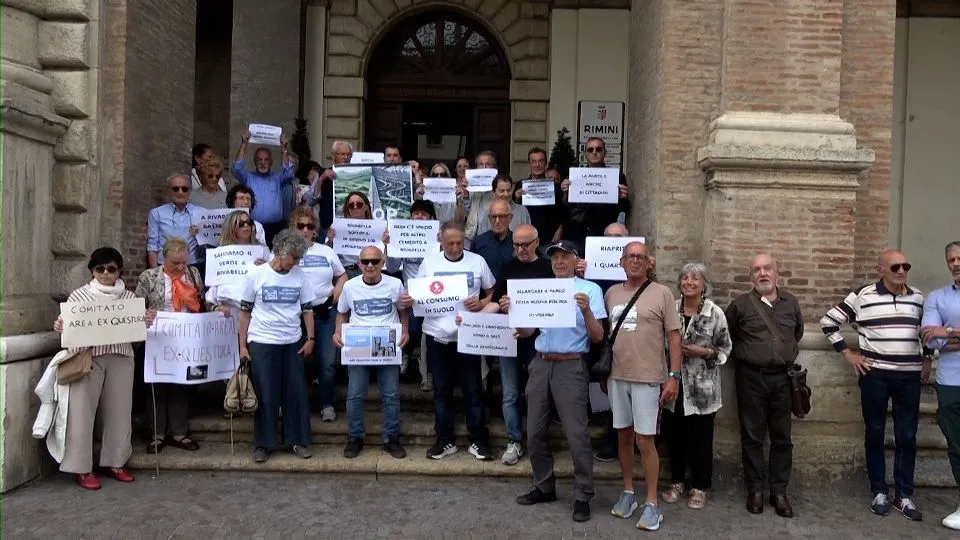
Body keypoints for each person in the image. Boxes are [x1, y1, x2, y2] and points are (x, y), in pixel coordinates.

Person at [822, 249, 930, 520]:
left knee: (907, 436)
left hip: (909, 377)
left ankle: (904, 495)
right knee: (875, 432)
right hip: (876, 376)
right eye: (895, 267)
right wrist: (849, 354)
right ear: (880, 269)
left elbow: (927, 331)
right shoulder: (863, 295)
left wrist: (927, 359)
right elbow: (828, 322)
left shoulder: (918, 297)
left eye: (905, 265)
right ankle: (879, 491)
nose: (902, 271)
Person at [513, 240, 606, 523]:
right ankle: (544, 486)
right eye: (555, 257)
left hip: (571, 365)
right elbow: (529, 330)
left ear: (576, 259)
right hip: (541, 363)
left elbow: (598, 336)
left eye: (565, 256)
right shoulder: (543, 288)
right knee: (534, 431)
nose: (560, 262)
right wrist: (515, 317)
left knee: (577, 435)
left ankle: (583, 495)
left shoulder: (590, 290)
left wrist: (587, 310)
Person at [50, 248, 157, 490]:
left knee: (119, 412)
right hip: (88, 357)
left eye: (111, 268)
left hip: (121, 356)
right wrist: (61, 326)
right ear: (92, 271)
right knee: (81, 413)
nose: (106, 273)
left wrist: (144, 323)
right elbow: (70, 328)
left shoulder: (129, 299)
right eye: (100, 269)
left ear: (119, 270)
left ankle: (116, 461)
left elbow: (136, 336)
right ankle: (81, 467)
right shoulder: (79, 296)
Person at [604, 241, 682, 530]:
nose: (635, 261)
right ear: (622, 262)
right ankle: (628, 492)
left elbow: (674, 337)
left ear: (649, 263)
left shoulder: (662, 293)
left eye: (640, 257)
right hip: (617, 375)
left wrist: (674, 375)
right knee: (623, 437)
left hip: (649, 377)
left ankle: (652, 503)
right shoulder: (611, 293)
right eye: (630, 257)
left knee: (644, 441)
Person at [403, 221, 496, 461]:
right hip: (437, 337)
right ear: (440, 241)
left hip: (469, 338)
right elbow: (417, 294)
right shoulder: (429, 262)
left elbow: (493, 290)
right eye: (450, 243)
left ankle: (478, 440)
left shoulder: (477, 261)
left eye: (459, 242)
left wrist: (482, 304)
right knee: (441, 392)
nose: (456, 247)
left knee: (473, 391)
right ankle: (445, 441)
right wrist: (408, 299)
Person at [725, 254, 804, 518]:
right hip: (750, 378)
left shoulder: (790, 303)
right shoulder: (739, 305)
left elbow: (797, 334)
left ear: (776, 272)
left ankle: (779, 492)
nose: (762, 273)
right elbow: (730, 335)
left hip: (783, 379)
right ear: (751, 276)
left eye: (767, 268)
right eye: (756, 270)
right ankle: (755, 490)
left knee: (782, 437)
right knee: (752, 437)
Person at [136, 237, 222, 454]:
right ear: (164, 258)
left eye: (184, 262)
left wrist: (217, 309)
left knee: (181, 385)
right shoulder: (149, 277)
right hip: (157, 338)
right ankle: (156, 434)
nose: (181, 267)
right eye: (176, 263)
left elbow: (203, 301)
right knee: (156, 385)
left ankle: (179, 432)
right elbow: (136, 305)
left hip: (185, 338)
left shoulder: (193, 274)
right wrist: (144, 315)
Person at [238, 229, 316, 463]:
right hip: (262, 340)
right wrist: (242, 346)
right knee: (265, 393)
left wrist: (310, 338)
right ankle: (264, 443)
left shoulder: (300, 276)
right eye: (293, 258)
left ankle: (298, 440)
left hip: (292, 341)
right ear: (280, 251)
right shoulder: (256, 274)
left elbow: (308, 310)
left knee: (295, 393)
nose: (295, 263)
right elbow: (244, 312)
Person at [660, 263, 732, 510]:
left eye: (695, 279)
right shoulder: (670, 308)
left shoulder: (715, 313)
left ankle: (700, 487)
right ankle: (677, 482)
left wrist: (705, 352)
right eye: (685, 278)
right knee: (675, 438)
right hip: (675, 385)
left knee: (701, 440)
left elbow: (725, 349)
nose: (689, 282)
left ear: (704, 285)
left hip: (703, 390)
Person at [480, 223, 553, 465]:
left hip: (538, 342)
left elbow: (555, 306)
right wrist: (476, 320)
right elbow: (494, 302)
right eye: (516, 245)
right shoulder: (507, 267)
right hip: (510, 340)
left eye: (525, 244)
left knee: (537, 394)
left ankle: (538, 441)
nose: (520, 249)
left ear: (537, 242)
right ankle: (514, 440)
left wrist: (534, 325)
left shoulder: (548, 267)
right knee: (509, 394)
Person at [334, 245, 409, 459]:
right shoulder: (349, 286)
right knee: (355, 394)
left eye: (375, 261)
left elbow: (403, 311)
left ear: (383, 263)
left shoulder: (395, 284)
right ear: (358, 264)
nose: (370, 265)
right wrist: (337, 332)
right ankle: (355, 437)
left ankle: (391, 439)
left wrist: (405, 331)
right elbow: (342, 313)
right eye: (365, 261)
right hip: (359, 344)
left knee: (391, 394)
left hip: (387, 343)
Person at [288, 207, 347, 422]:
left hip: (324, 313)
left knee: (328, 361)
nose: (305, 230)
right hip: (294, 316)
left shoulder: (326, 251)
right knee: (293, 363)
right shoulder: (281, 252)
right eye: (300, 226)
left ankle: (327, 404)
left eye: (309, 226)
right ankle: (294, 405)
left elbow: (342, 275)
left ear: (315, 230)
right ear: (292, 228)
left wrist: (334, 296)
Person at [920, 241, 960, 529]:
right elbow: (930, 339)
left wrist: (947, 331)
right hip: (951, 381)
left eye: (959, 258)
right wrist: (946, 336)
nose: (956, 263)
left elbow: (939, 335)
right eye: (951, 260)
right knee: (957, 445)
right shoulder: (937, 297)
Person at [385, 199, 439, 391]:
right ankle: (405, 354)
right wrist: (390, 246)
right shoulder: (402, 236)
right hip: (409, 293)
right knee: (414, 330)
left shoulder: (438, 239)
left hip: (433, 292)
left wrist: (440, 243)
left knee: (429, 334)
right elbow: (391, 268)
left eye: (424, 214)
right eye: (416, 213)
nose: (419, 217)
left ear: (432, 218)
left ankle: (427, 373)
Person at [559, 137, 630, 246]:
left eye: (598, 149)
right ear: (585, 153)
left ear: (605, 153)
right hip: (577, 232)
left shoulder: (617, 176)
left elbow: (623, 210)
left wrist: (623, 199)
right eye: (590, 150)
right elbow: (565, 209)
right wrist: (565, 194)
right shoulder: (573, 176)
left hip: (604, 231)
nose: (594, 152)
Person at [231, 128, 295, 246]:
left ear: (271, 162)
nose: (263, 162)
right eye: (259, 159)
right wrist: (244, 144)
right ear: (254, 161)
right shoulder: (248, 177)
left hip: (276, 228)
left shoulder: (278, 178)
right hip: (251, 227)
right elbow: (236, 168)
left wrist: (284, 149)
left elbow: (288, 173)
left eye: (266, 159)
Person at [204, 210, 270, 318]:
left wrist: (267, 268)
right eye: (241, 224)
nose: (246, 226)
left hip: (257, 312)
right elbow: (212, 290)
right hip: (229, 312)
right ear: (231, 226)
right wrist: (215, 307)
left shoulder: (262, 250)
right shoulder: (220, 252)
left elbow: (276, 278)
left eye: (249, 223)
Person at [146, 173, 201, 269]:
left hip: (191, 267)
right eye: (176, 189)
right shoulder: (156, 213)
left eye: (185, 189)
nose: (180, 192)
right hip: (164, 267)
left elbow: (209, 243)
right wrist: (155, 274)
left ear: (190, 192)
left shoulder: (201, 213)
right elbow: (152, 246)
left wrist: (200, 234)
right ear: (169, 191)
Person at [513, 147, 562, 243]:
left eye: (540, 161)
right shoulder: (520, 185)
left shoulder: (554, 187)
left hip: (548, 238)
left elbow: (562, 212)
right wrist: (516, 198)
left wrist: (560, 230)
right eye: (534, 161)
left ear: (545, 164)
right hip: (525, 239)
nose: (537, 165)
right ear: (529, 164)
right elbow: (513, 210)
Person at [326, 191, 377, 279]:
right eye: (351, 205)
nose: (355, 207)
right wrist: (330, 240)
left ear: (366, 207)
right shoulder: (337, 226)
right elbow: (327, 252)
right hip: (346, 272)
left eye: (359, 204)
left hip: (370, 270)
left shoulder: (377, 227)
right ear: (347, 208)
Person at [466, 173, 531, 242]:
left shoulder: (522, 211)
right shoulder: (489, 213)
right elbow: (483, 240)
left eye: (508, 190)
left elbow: (529, 238)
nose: (506, 194)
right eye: (502, 191)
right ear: (494, 193)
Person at [470, 199, 517, 281]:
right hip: (484, 293)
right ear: (489, 218)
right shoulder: (478, 242)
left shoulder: (518, 243)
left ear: (510, 218)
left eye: (501, 216)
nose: (497, 221)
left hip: (511, 292)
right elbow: (472, 271)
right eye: (494, 217)